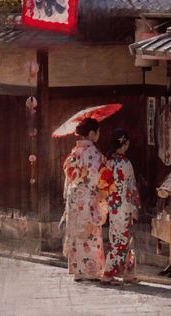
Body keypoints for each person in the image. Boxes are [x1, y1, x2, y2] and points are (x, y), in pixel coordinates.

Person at [61, 117, 107, 281]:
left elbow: (70, 176)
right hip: (88, 196)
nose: (99, 135)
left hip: (74, 197)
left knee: (76, 233)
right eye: (98, 131)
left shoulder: (75, 152)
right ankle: (92, 271)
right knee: (91, 234)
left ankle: (78, 271)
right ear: (92, 133)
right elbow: (97, 177)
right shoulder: (94, 153)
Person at [99, 128, 140, 285]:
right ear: (125, 143)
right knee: (122, 240)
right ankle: (110, 273)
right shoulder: (125, 163)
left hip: (113, 205)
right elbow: (132, 187)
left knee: (118, 238)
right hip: (125, 206)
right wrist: (134, 208)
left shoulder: (108, 162)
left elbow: (103, 184)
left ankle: (130, 272)